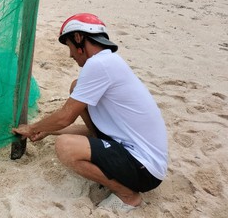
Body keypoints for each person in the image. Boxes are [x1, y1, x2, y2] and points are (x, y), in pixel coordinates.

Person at [13, 13, 168, 212]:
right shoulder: (108, 61)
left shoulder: (99, 64)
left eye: (69, 46)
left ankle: (128, 196)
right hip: (139, 157)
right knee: (75, 87)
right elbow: (94, 131)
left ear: (79, 38)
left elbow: (65, 116)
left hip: (145, 168)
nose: (70, 54)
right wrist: (48, 130)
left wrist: (32, 128)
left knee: (66, 147)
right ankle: (119, 178)